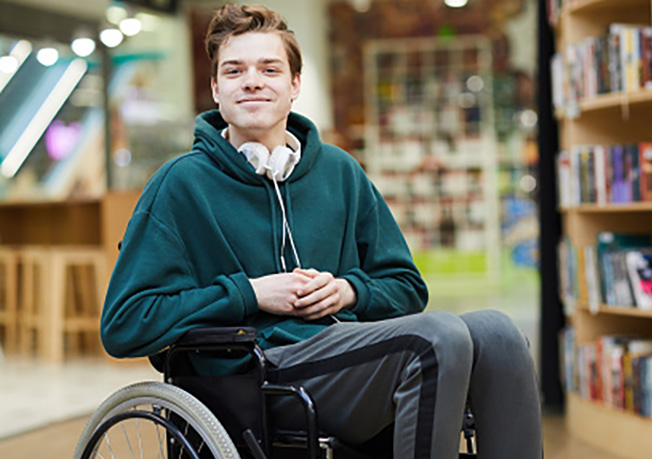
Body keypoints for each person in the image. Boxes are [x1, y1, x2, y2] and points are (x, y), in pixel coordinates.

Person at [100, 4, 543, 458]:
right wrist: (251, 294)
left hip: (345, 357)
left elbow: (407, 287)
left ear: (294, 85)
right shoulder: (179, 185)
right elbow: (124, 324)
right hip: (256, 377)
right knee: (437, 338)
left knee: (498, 332)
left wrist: (349, 293)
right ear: (216, 88)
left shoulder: (340, 172)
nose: (252, 80)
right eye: (234, 71)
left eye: (269, 68)